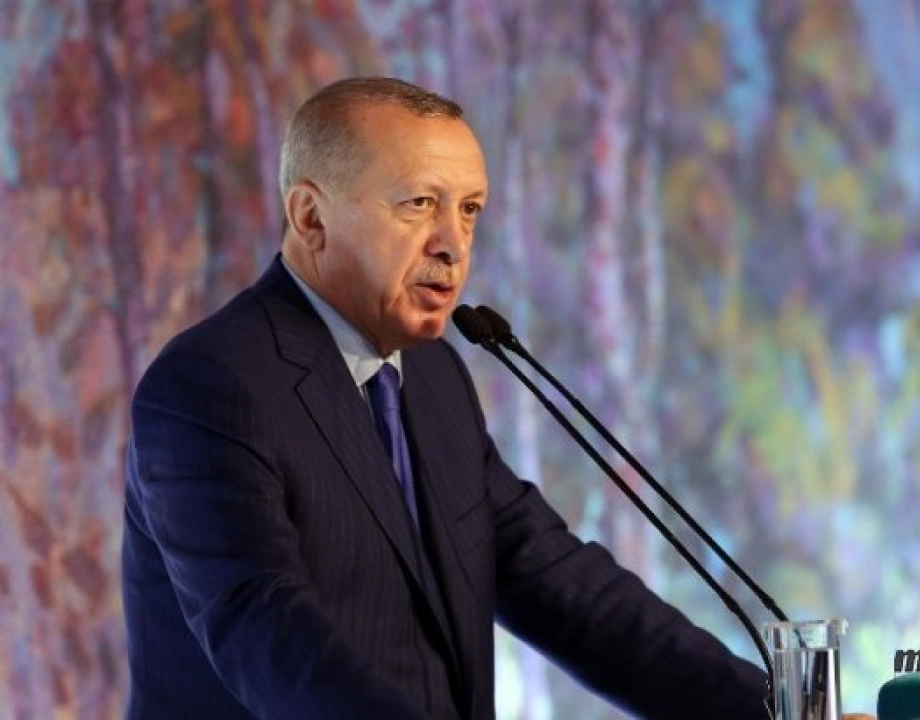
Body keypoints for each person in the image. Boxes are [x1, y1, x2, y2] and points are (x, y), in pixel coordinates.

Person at [121, 77, 771, 719]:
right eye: (419, 203)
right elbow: (270, 635)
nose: (453, 245)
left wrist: (776, 711)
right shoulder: (211, 384)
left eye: (469, 210)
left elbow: (566, 589)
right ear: (311, 216)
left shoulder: (434, 377)